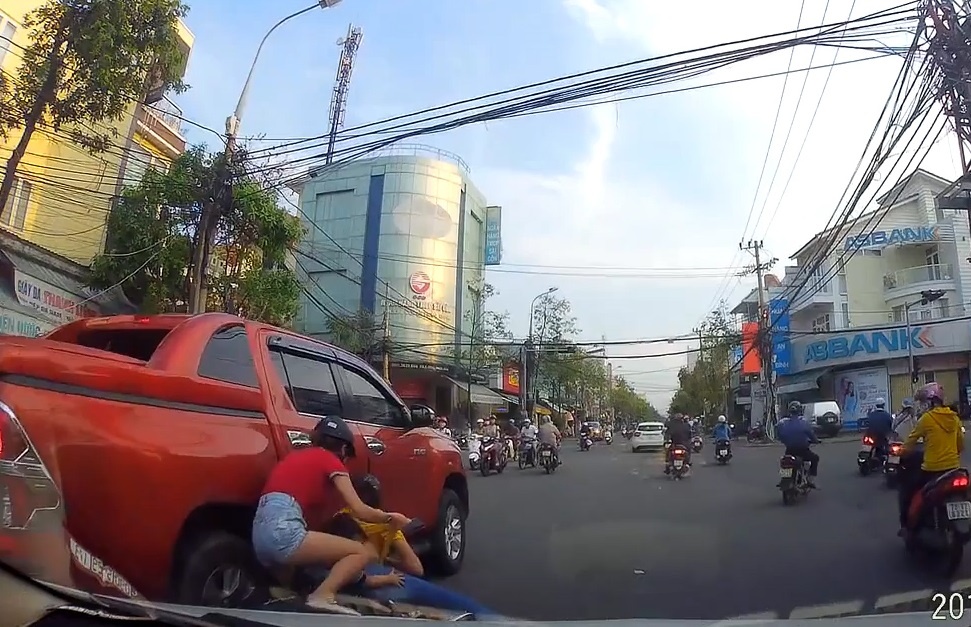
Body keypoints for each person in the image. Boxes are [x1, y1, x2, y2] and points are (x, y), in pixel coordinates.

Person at [251, 416, 412, 614]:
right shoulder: (330, 460)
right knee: (359, 552)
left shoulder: (293, 458)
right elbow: (359, 509)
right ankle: (323, 595)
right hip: (284, 529)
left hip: (259, 533)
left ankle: (290, 601)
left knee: (291, 585)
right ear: (343, 449)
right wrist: (392, 518)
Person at [325, 511, 497, 617]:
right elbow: (416, 568)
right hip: (375, 582)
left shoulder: (341, 517)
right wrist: (388, 576)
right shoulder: (385, 527)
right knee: (460, 604)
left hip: (331, 579)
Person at [897, 382, 964, 536]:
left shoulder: (926, 419)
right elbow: (960, 445)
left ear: (930, 402)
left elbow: (910, 443)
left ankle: (907, 526)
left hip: (932, 470)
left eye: (923, 402)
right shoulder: (954, 418)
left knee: (909, 491)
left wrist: (901, 452)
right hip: (954, 469)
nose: (922, 406)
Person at [776, 400, 820, 487]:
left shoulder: (783, 423)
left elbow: (779, 435)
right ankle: (810, 479)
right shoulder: (804, 422)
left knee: (786, 461)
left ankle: (784, 478)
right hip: (802, 450)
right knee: (815, 458)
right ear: (800, 411)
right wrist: (816, 440)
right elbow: (811, 435)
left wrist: (785, 441)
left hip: (790, 450)